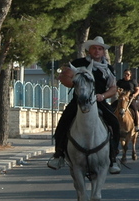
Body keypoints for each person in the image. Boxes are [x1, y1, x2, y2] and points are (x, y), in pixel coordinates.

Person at [47, 36, 121, 174]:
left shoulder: (108, 68)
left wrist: (102, 96)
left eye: (100, 49)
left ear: (103, 51)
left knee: (115, 123)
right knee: (63, 123)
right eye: (94, 48)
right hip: (78, 101)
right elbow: (64, 77)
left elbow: (113, 88)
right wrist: (74, 84)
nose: (97, 51)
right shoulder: (78, 63)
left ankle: (112, 158)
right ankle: (58, 155)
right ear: (89, 50)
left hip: (98, 102)